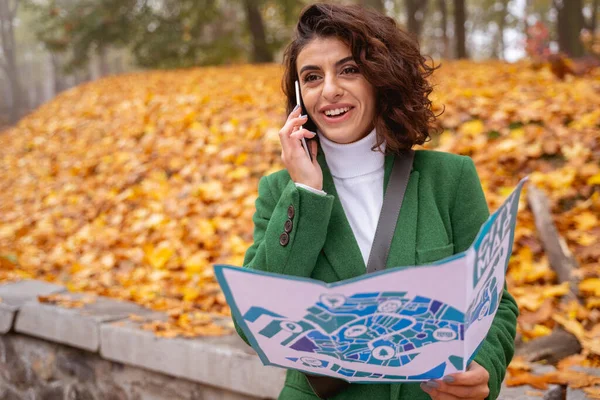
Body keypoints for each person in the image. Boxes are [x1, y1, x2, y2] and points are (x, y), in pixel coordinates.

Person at [233, 3, 518, 400]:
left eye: (348, 70)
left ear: (381, 77)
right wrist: (307, 193)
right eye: (312, 77)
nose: (329, 89)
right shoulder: (282, 193)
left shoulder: (450, 179)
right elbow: (252, 325)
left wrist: (485, 366)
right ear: (299, 98)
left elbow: (496, 302)